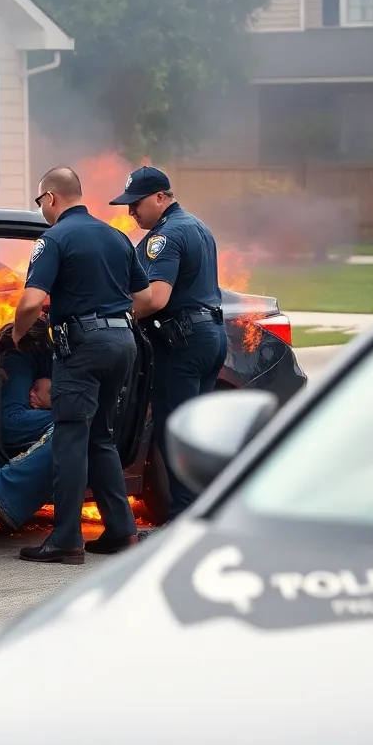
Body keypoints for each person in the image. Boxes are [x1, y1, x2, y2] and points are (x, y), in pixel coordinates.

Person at [11, 166, 153, 564]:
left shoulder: (53, 238)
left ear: (51, 198)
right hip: (123, 343)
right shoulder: (116, 237)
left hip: (83, 347)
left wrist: (20, 335)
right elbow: (142, 299)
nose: (40, 209)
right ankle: (122, 531)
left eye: (39, 202)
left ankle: (66, 539)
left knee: (71, 439)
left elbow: (30, 302)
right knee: (99, 436)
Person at [111, 166, 227, 522]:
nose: (131, 212)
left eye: (137, 204)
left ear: (161, 197)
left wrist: (117, 313)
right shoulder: (196, 226)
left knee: (175, 432)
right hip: (209, 337)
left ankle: (183, 519)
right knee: (197, 432)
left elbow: (155, 298)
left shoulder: (166, 235)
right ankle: (207, 509)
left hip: (181, 344)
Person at [0, 321, 57, 528]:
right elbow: (10, 422)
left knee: (79, 426)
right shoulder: (21, 357)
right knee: (76, 424)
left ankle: (7, 489)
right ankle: (6, 489)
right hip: (12, 420)